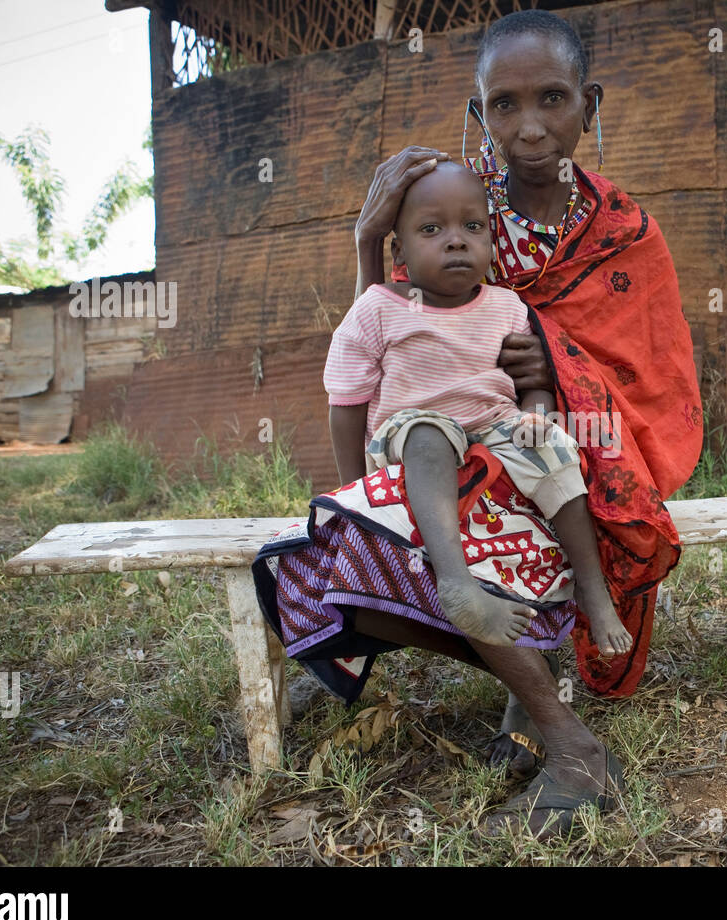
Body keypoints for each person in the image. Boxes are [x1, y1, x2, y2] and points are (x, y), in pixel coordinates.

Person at [254, 9, 702, 837]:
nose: (529, 127)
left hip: (573, 463)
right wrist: (364, 240)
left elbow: (657, 384)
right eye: (504, 104)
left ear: (589, 105)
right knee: (361, 554)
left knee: (491, 507)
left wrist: (557, 374)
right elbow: (384, 332)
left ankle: (558, 734)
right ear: (478, 113)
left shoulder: (626, 237)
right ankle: (540, 700)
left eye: (553, 99)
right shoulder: (453, 207)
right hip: (451, 451)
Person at [324, 159, 636, 658]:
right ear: (399, 249)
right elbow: (346, 401)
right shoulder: (379, 307)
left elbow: (528, 381)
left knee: (554, 446)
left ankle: (590, 587)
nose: (455, 239)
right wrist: (350, 490)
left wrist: (536, 415)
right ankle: (456, 583)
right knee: (429, 433)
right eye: (432, 229)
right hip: (410, 438)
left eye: (472, 226)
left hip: (492, 430)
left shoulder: (506, 306)